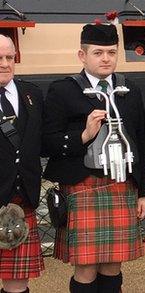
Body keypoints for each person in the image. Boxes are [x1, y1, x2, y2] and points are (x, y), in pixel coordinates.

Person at [43, 20, 145, 293]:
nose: (106, 58)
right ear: (82, 55)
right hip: (83, 186)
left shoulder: (130, 90)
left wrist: (144, 192)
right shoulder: (63, 90)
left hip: (122, 185)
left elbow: (140, 143)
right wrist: (83, 135)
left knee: (113, 265)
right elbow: (47, 143)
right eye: (98, 52)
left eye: (111, 52)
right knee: (86, 267)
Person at [0, 35, 44, 293]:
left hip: (20, 201)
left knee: (17, 283)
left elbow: (43, 141)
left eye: (9, 57)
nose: (5, 64)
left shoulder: (32, 94)